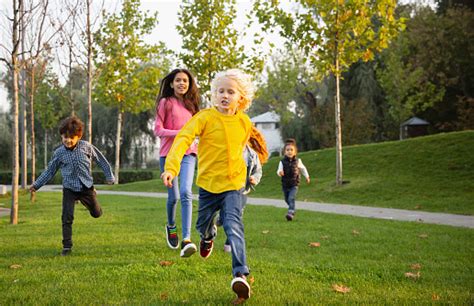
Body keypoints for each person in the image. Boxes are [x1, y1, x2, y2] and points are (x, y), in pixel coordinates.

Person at [161, 69, 254, 301]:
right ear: (213, 95)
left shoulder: (244, 122)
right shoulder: (204, 117)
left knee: (234, 225)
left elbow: (241, 149)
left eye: (230, 92)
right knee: (202, 225)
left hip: (232, 185)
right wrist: (171, 167)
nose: (224, 95)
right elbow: (183, 138)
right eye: (219, 91)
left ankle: (240, 274)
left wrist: (245, 177)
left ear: (240, 98)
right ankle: (208, 235)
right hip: (208, 186)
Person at [29, 116, 115, 256]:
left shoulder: (86, 147)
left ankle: (90, 200)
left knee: (96, 214)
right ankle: (67, 247)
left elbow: (101, 160)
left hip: (86, 187)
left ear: (78, 136)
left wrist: (109, 176)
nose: (68, 141)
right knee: (66, 217)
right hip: (69, 188)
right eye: (65, 137)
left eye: (71, 138)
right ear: (61, 137)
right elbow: (50, 171)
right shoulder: (59, 153)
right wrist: (36, 185)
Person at [154, 68, 200, 258]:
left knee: (186, 192)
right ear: (171, 83)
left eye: (186, 81)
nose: (182, 83)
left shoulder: (192, 106)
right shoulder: (165, 102)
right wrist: (181, 134)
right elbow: (158, 130)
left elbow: (198, 130)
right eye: (178, 80)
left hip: (189, 153)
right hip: (168, 154)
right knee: (173, 197)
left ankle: (187, 238)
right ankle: (171, 226)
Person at [217, 125, 268, 253]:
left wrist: (254, 179)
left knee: (237, 216)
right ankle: (220, 219)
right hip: (227, 189)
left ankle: (230, 242)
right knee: (225, 215)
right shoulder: (229, 150)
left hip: (243, 190)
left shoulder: (252, 155)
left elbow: (258, 171)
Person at [277, 138, 310, 221]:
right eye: (287, 150)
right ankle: (292, 208)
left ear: (295, 152)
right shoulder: (282, 162)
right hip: (285, 184)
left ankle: (290, 212)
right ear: (285, 152)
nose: (289, 151)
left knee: (291, 198)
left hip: (294, 184)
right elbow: (278, 170)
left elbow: (303, 169)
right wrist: (280, 172)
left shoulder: (298, 161)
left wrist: (307, 176)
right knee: (286, 199)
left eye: (291, 150)